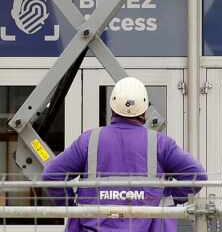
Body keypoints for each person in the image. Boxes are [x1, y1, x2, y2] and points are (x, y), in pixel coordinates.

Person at [41, 76, 206, 232]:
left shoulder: (89, 140)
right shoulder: (160, 143)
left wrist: (72, 206)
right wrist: (167, 196)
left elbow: (51, 175)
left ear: (112, 107)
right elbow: (197, 176)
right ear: (145, 110)